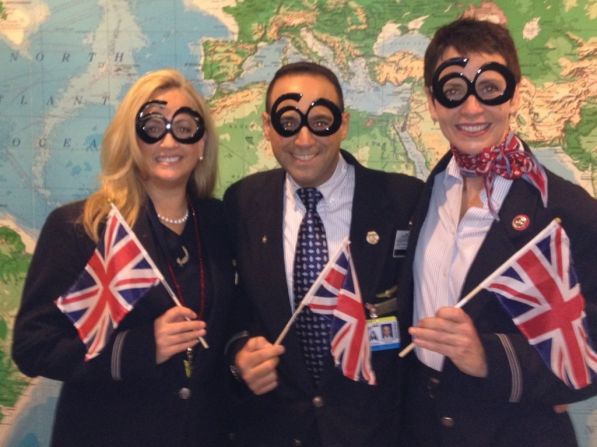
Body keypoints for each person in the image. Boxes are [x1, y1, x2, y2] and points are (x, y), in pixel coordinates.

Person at [400, 17, 597, 447]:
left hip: (514, 432)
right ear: (433, 103)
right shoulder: (423, 195)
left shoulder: (565, 211)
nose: (471, 109)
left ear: (514, 95)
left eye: (489, 89)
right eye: (454, 91)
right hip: (424, 428)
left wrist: (488, 357)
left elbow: (590, 351)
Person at [12, 69, 235, 447]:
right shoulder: (82, 227)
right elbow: (33, 346)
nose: (169, 139)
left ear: (201, 145)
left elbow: (230, 323)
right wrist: (138, 349)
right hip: (109, 432)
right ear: (132, 139)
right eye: (152, 125)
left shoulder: (218, 222)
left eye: (184, 126)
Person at [223, 61, 423, 447]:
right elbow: (232, 308)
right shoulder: (243, 203)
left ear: (343, 123)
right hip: (276, 431)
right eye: (287, 120)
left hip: (374, 432)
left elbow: (441, 289)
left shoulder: (403, 201)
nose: (303, 138)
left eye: (320, 120)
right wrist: (238, 356)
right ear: (267, 126)